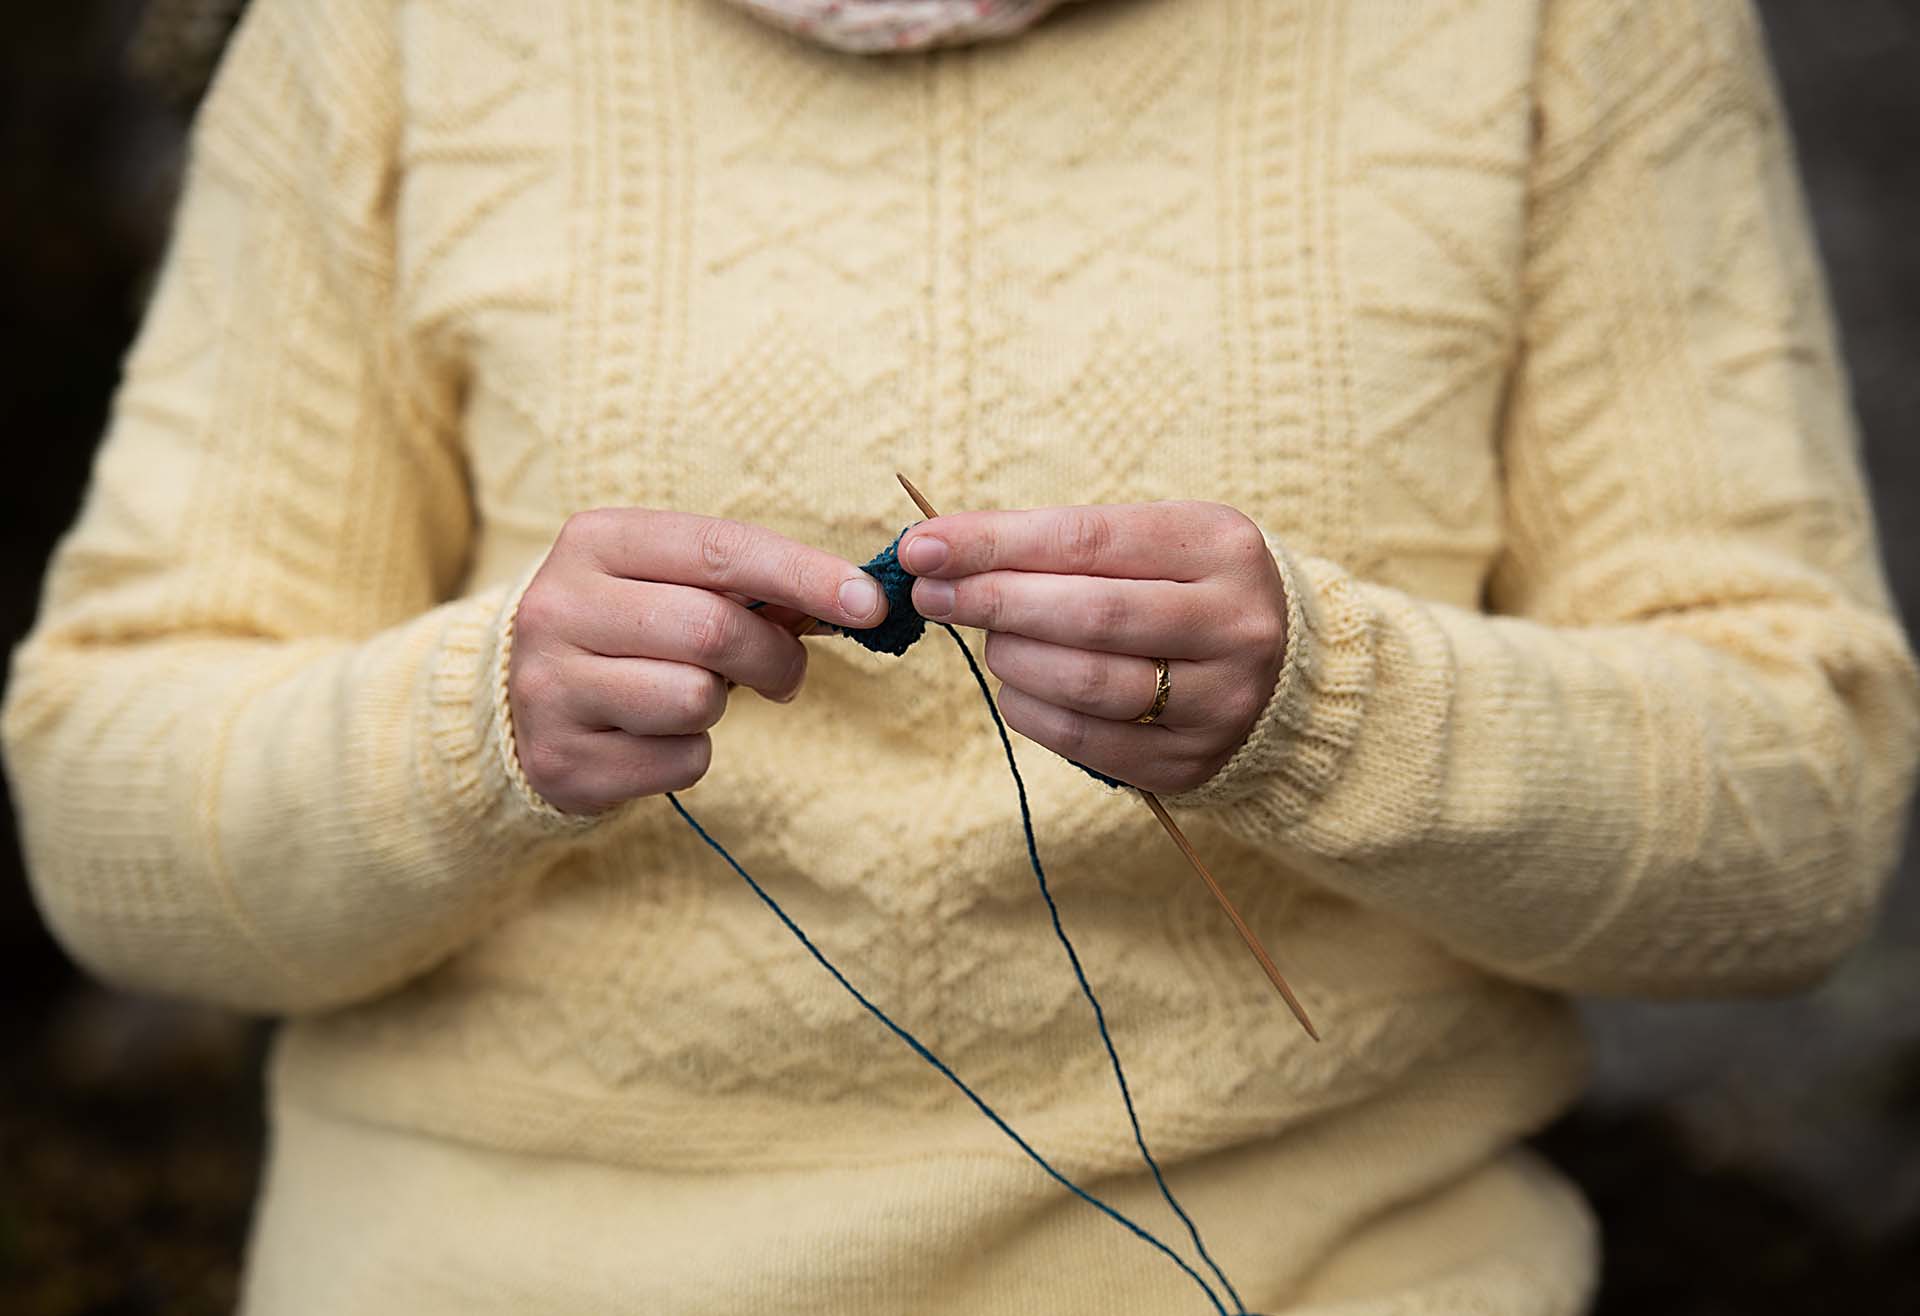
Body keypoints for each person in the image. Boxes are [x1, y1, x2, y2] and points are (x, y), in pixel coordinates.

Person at [4, 0, 1916, 1311]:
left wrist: (1328, 708)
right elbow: (111, 833)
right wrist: (472, 727)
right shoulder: (394, 36)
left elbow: (1802, 832)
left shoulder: (1570, 28)